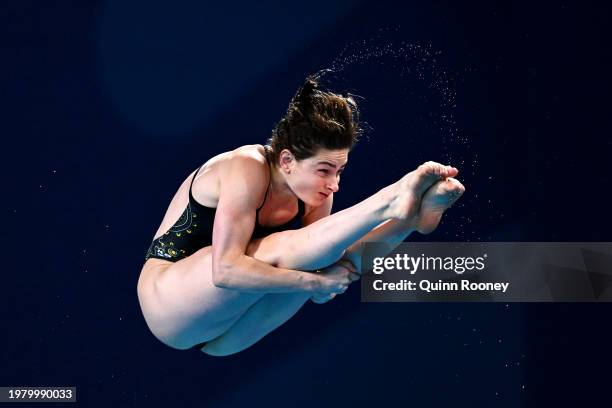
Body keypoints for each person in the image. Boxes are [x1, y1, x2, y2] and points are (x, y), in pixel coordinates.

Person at [136, 75, 465, 356]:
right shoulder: (246, 167)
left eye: (340, 171)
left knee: (326, 258)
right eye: (324, 170)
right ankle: (391, 199)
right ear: (287, 161)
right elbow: (225, 271)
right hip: (169, 305)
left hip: (227, 337)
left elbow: (324, 269)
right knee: (284, 251)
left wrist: (322, 284)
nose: (333, 184)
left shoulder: (314, 194)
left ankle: (408, 219)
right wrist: (315, 282)